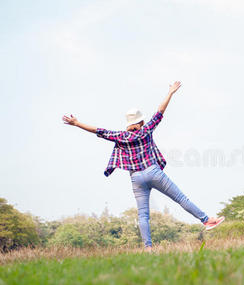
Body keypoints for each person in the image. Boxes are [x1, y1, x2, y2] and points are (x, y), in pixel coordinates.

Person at [62, 81, 224, 252]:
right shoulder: (145, 131)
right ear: (140, 122)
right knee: (181, 199)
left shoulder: (120, 136)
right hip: (153, 172)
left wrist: (77, 123)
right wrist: (170, 93)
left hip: (136, 178)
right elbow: (160, 112)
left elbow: (98, 131)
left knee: (143, 215)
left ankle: (148, 248)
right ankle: (206, 220)